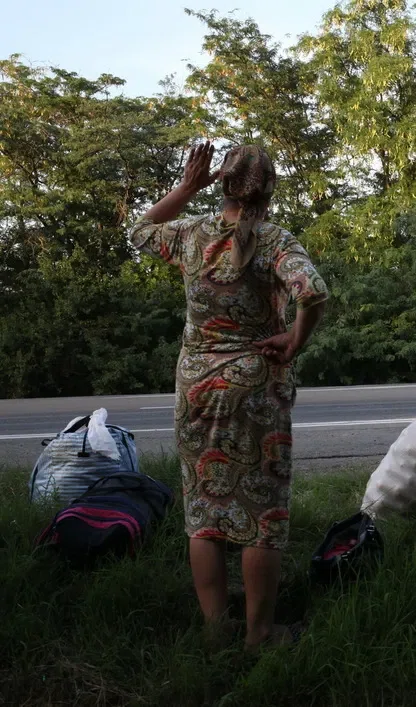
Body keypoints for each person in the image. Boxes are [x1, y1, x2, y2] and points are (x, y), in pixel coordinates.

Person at [130, 142, 328, 651]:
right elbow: (312, 292)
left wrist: (186, 186)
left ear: (221, 184)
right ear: (270, 190)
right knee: (262, 514)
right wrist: (295, 339)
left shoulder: (191, 234)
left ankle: (216, 628)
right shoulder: (275, 240)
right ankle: (260, 634)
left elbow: (140, 230)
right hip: (255, 387)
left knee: (204, 510)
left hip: (196, 384)